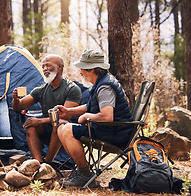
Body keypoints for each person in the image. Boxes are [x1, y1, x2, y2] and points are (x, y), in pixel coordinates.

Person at [55, 49, 134, 187]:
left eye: (82, 69)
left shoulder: (105, 87)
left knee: (67, 130)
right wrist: (68, 112)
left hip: (115, 134)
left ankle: (85, 175)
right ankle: (82, 171)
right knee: (61, 128)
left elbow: (107, 116)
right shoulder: (100, 83)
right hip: (108, 130)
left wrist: (87, 116)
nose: (80, 72)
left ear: (91, 69)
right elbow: (92, 106)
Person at [12, 54, 82, 164]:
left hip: (68, 130)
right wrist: (16, 99)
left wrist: (39, 120)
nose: (45, 69)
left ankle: (47, 164)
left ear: (59, 67)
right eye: (43, 66)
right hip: (48, 127)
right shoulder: (41, 90)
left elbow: (65, 115)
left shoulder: (72, 89)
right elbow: (19, 107)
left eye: (48, 66)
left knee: (58, 124)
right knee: (31, 126)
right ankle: (38, 164)